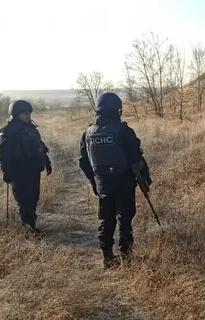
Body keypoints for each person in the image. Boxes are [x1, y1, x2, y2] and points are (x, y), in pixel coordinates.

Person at [78, 92, 151, 269]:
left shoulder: (88, 133)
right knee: (124, 219)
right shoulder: (124, 131)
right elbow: (136, 159)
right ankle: (126, 256)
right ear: (117, 110)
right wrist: (146, 179)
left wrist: (94, 181)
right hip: (124, 182)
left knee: (106, 219)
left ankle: (107, 257)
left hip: (103, 184)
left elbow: (83, 162)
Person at [0, 100, 52, 234]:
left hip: (33, 170)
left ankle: (31, 224)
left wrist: (47, 161)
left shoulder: (31, 129)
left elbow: (40, 147)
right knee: (24, 200)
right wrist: (7, 172)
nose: (28, 116)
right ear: (15, 114)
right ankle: (29, 229)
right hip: (18, 172)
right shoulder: (8, 131)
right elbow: (2, 153)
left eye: (29, 113)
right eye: (24, 113)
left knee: (34, 198)